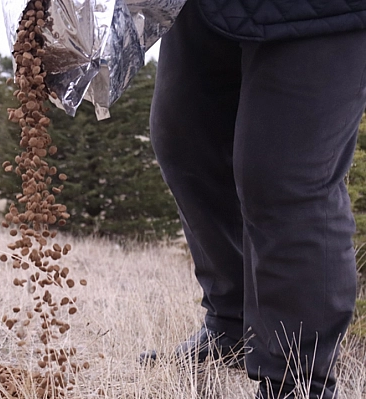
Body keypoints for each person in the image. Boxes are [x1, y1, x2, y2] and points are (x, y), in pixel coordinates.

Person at [146, 0, 366, 397]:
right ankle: (230, 325)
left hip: (324, 10)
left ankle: (297, 380)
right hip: (208, 8)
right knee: (184, 141)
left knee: (284, 175)